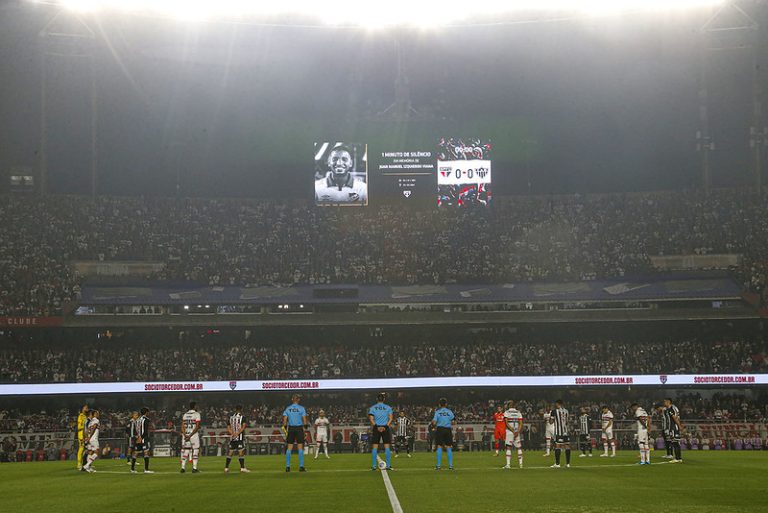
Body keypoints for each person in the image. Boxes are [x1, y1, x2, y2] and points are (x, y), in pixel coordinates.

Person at [368, 392, 394, 471]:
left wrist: (376, 427)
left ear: (377, 399)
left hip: (376, 428)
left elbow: (371, 419)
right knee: (387, 446)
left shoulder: (372, 408)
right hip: (385, 428)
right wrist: (385, 426)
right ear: (384, 399)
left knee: (375, 447)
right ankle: (388, 465)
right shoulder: (388, 408)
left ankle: (374, 466)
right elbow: (391, 418)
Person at [282, 394, 308, 472]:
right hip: (299, 428)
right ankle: (301, 466)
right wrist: (305, 429)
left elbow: (285, 421)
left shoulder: (288, 409)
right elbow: (304, 420)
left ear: (292, 399)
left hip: (291, 428)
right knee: (300, 447)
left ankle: (287, 467)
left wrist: (285, 429)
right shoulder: (301, 408)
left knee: (289, 447)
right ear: (298, 400)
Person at [432, 397, 455, 470]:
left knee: (439, 446)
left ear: (439, 404)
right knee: (449, 447)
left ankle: (438, 466)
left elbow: (434, 422)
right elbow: (454, 422)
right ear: (446, 404)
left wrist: (433, 424)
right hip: (448, 429)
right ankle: (451, 466)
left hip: (440, 429)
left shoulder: (437, 412)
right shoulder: (450, 411)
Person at [225, 405, 250, 473]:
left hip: (232, 437)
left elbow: (228, 427)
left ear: (235, 409)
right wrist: (237, 433)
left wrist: (232, 433)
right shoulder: (242, 417)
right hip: (239, 437)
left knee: (230, 452)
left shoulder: (231, 417)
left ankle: (226, 468)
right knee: (241, 452)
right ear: (241, 409)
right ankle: (242, 468)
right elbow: (243, 427)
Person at [180, 402, 202, 473]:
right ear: (195, 406)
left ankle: (183, 468)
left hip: (186, 434)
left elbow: (182, 426)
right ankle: (194, 468)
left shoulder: (185, 414)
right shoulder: (197, 414)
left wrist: (185, 435)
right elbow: (197, 426)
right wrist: (190, 435)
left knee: (186, 450)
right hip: (193, 435)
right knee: (196, 450)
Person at [502, 400, 523, 469]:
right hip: (517, 431)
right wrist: (517, 431)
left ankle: (508, 464)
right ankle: (521, 464)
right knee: (519, 447)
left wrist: (513, 431)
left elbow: (506, 423)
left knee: (508, 447)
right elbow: (521, 423)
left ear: (508, 405)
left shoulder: (507, 412)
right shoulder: (518, 412)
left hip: (509, 432)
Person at [550, 399, 571, 468]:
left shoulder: (554, 411)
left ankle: (557, 464)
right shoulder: (566, 411)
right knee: (567, 446)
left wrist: (549, 418)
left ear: (558, 404)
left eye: (556, 404)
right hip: (566, 431)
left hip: (559, 432)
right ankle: (568, 464)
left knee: (558, 446)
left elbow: (551, 421)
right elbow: (567, 421)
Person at [132, 407, 154, 474]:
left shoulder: (138, 419)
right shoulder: (146, 420)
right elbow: (145, 431)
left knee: (135, 453)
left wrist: (138, 437)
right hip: (143, 438)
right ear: (146, 412)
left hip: (138, 438)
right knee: (146, 453)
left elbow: (136, 429)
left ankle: (132, 469)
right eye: (148, 412)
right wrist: (141, 437)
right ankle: (146, 469)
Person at [663, 398, 684, 463]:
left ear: (668, 402)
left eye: (665, 401)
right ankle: (678, 458)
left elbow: (675, 417)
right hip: (671, 428)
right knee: (674, 442)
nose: (664, 403)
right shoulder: (669, 409)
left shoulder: (672, 408)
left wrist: (679, 426)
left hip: (674, 427)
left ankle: (678, 458)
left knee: (675, 443)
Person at [76, 404, 89, 471]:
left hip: (86, 434)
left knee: (87, 448)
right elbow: (79, 427)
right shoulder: (80, 416)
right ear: (82, 409)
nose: (87, 408)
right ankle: (79, 464)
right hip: (81, 434)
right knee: (81, 448)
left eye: (87, 408)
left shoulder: (86, 416)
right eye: (85, 408)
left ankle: (86, 463)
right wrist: (84, 427)